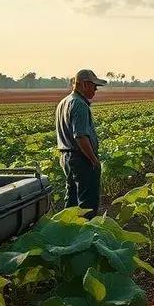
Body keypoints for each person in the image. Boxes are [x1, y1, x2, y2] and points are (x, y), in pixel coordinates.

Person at [56, 69, 106, 217]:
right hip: (81, 158)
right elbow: (80, 137)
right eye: (94, 86)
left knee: (71, 200)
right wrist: (93, 160)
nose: (96, 90)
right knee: (87, 203)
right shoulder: (79, 104)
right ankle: (87, 234)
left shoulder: (64, 102)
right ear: (84, 84)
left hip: (67, 157)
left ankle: (69, 234)